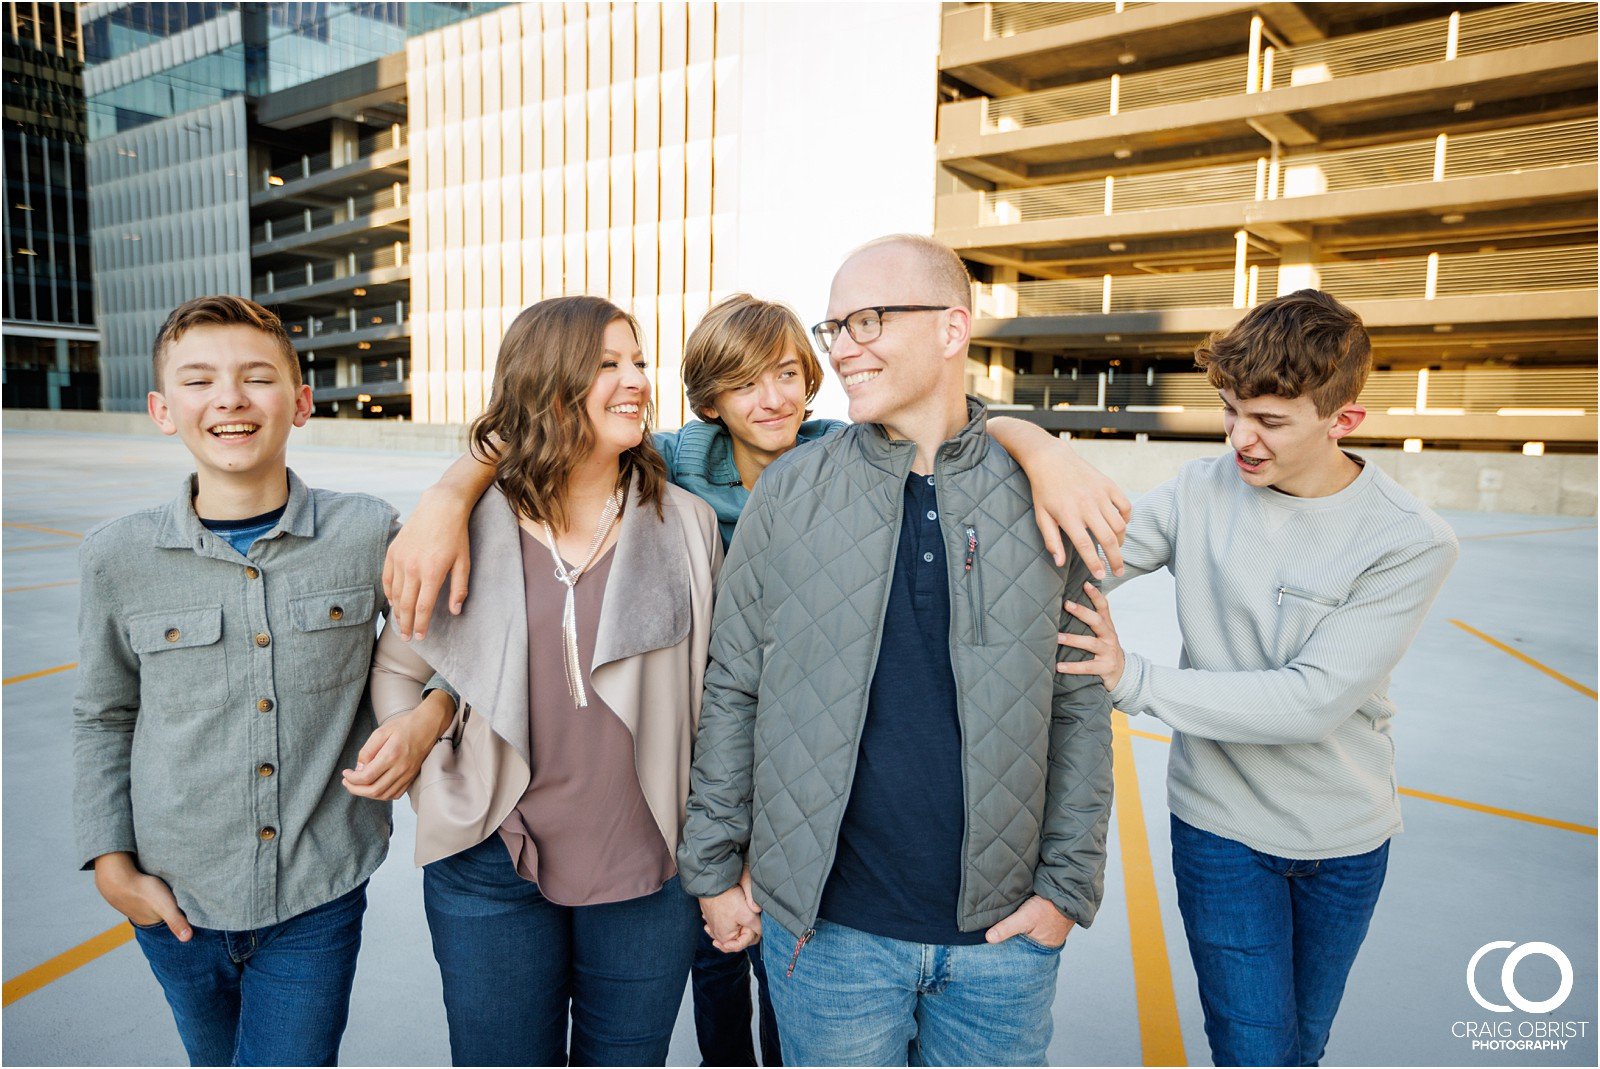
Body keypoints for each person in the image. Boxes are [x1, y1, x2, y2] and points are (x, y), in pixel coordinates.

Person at [382, 292, 1131, 1065]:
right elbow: (542, 436)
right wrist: (450, 491)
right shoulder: (672, 467)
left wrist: (1039, 444)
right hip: (702, 786)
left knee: (788, 1003)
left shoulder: (851, 454)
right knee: (716, 981)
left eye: (785, 374)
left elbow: (953, 432)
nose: (769, 398)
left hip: (785, 800)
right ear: (708, 404)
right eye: (742, 383)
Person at [676, 234, 1116, 1067]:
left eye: (869, 320)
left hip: (1002, 942)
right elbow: (734, 687)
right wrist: (712, 865)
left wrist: (1066, 890)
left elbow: (1079, 702)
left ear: (953, 329)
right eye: (836, 325)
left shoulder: (1051, 493)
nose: (843, 346)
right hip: (831, 937)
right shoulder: (791, 491)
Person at [1051, 290, 1459, 1066]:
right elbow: (1080, 558)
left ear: (1344, 420)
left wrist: (1133, 677)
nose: (1241, 436)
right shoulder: (1202, 490)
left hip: (1345, 841)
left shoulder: (1410, 541)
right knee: (1255, 1050)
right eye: (1232, 409)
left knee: (1299, 1048)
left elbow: (1312, 700)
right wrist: (1036, 451)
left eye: (1271, 420)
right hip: (1221, 830)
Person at [72, 295, 455, 1066]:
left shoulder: (366, 531)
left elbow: (455, 651)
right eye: (199, 380)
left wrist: (429, 715)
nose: (230, 399)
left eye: (257, 377)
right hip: (171, 897)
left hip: (317, 892)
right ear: (161, 408)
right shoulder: (117, 557)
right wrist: (111, 865)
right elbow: (103, 715)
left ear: (301, 401)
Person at [366, 295, 723, 1066]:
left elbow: (722, 699)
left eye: (637, 361)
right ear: (548, 382)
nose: (634, 380)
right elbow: (398, 665)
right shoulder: (467, 523)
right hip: (492, 861)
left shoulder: (687, 524)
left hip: (647, 864)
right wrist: (441, 780)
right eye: (606, 364)